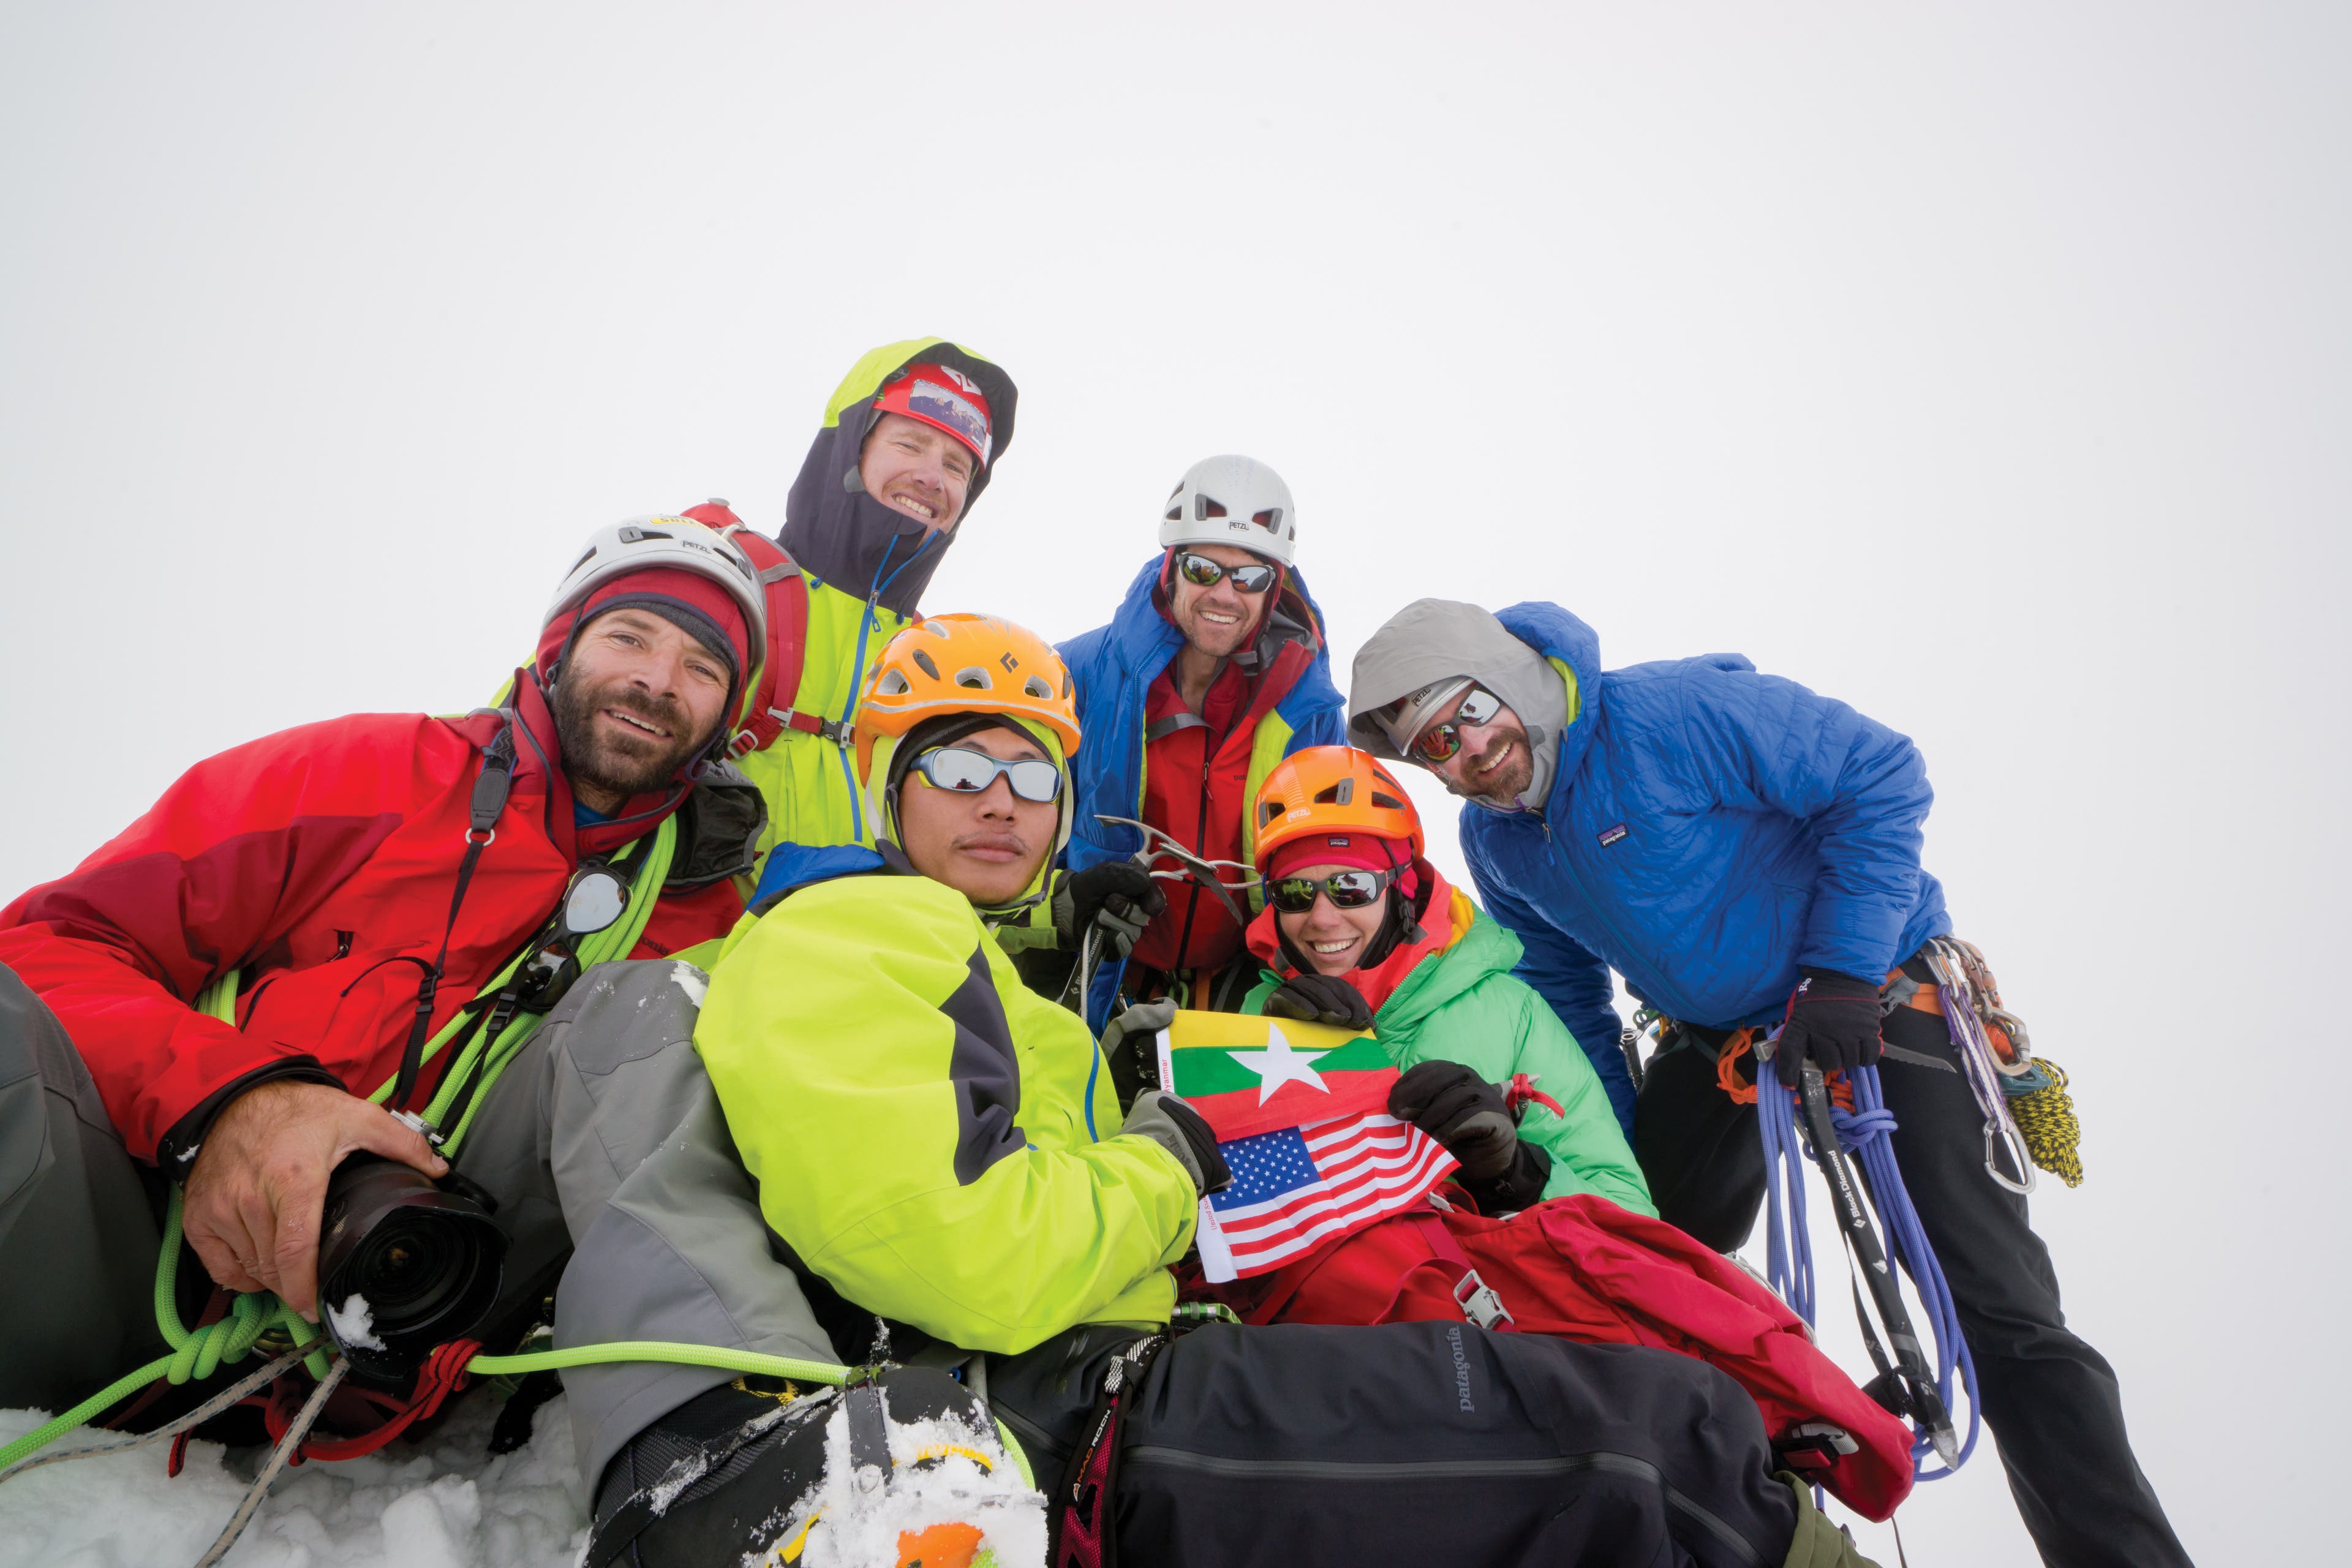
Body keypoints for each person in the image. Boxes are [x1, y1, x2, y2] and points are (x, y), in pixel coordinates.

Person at [554, 613, 1876, 1567]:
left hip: (1163, 1357)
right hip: (1066, 1404)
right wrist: (1172, 1156)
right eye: (959, 767)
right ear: (886, 788)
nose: (1001, 802)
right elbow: (979, 1252)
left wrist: (1493, 1176)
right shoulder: (854, 934)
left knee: (1641, 1424)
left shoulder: (1009, 979)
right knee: (1651, 1445)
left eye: (1032, 775)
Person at [1346, 597, 2192, 1568]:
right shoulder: (1501, 845)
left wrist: (1838, 973)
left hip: (1874, 996)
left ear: (1510, 679)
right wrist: (1606, 1155)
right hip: (1721, 1050)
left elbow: (1877, 774)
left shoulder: (1664, 717)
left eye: (1467, 713)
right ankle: (1733, 1504)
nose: (1465, 752)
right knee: (1618, 1263)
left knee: (1994, 1311)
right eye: (1435, 747)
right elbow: (1570, 997)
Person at [0, 517, 770, 1415]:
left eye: (702, 667)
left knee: (654, 1009)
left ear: (726, 716)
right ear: (560, 649)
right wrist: (230, 1103)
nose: (657, 680)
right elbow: (48, 942)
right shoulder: (362, 772)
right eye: (629, 636)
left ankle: (716, 1433)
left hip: (434, 1323)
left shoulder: (709, 922)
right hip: (131, 1253)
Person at [1227, 744, 1651, 1218]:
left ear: (1402, 890)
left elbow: (1629, 1216)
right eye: (1296, 892)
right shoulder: (1256, 1017)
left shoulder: (1509, 1014)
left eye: (1352, 887)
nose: (1322, 918)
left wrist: (1516, 1173)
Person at [1042, 456, 1344, 1025]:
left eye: (1250, 577)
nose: (1225, 594)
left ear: (1273, 588)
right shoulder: (1076, 672)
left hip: (1244, 979)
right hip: (1094, 960)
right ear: (1171, 569)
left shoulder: (1307, 708)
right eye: (1204, 568)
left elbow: (1328, 849)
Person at [714, 339, 1019, 887]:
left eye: (957, 465)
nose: (933, 478)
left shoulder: (937, 657)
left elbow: (958, 845)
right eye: (911, 444)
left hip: (865, 964)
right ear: (850, 451)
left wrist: (1057, 904)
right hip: (696, 958)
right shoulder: (729, 585)